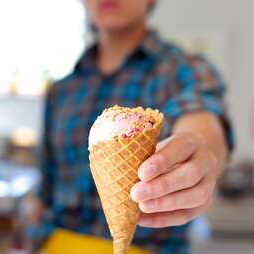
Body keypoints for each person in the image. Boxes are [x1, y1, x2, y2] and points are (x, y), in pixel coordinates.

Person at [30, 0, 233, 253]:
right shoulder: (61, 91)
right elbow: (45, 192)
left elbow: (203, 125)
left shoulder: (185, 70)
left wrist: (200, 152)